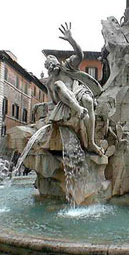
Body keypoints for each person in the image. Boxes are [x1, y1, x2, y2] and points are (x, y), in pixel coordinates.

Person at [45, 22, 103, 156]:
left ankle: (92, 142)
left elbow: (80, 54)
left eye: (53, 63)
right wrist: (52, 86)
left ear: (57, 63)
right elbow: (54, 101)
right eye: (49, 66)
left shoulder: (68, 66)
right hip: (66, 102)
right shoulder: (51, 82)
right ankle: (79, 110)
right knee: (59, 84)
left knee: (88, 100)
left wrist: (71, 39)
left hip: (78, 91)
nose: (52, 66)